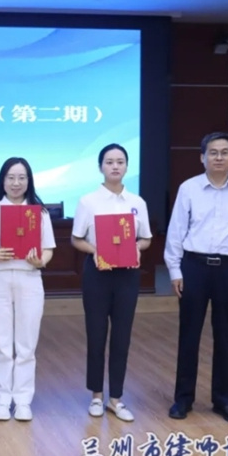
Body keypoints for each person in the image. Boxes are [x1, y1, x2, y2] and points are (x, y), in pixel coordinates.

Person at [165, 132, 228, 424]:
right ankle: (183, 399)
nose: (218, 157)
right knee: (189, 334)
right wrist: (175, 270)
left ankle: (223, 401)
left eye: (224, 152)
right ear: (202, 157)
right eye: (213, 152)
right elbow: (176, 232)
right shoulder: (188, 188)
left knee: (225, 335)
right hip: (194, 266)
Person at [71, 143, 152, 422]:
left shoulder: (137, 202)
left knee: (122, 336)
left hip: (127, 274)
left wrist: (136, 248)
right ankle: (96, 395)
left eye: (120, 161)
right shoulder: (88, 202)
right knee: (96, 334)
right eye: (109, 162)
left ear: (127, 166)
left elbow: (146, 238)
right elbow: (76, 239)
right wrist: (97, 251)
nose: (115, 166)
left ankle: (116, 398)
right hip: (98, 274)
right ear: (100, 167)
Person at [0, 157, 56, 422]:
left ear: (29, 181)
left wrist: (40, 261)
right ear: (2, 181)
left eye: (21, 177)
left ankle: (22, 400)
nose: (16, 183)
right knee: (1, 342)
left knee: (26, 344)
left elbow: (48, 248)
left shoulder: (39, 213)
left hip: (29, 279)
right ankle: (1, 399)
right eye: (11, 177)